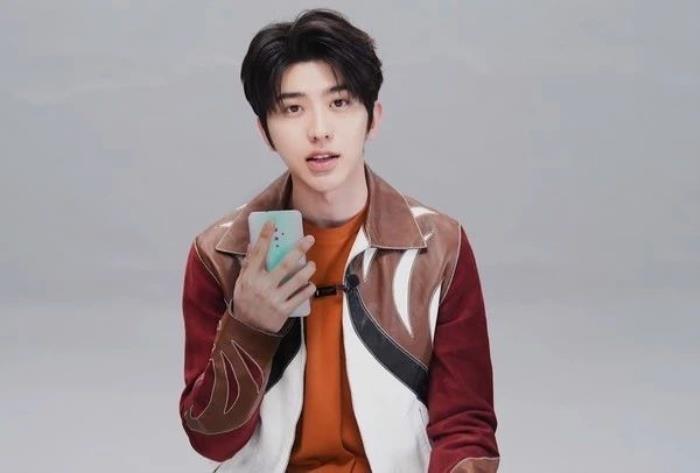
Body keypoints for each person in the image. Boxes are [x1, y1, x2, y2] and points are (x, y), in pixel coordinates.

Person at [178, 8, 499, 473]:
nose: (319, 130)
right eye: (292, 109)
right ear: (265, 132)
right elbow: (212, 442)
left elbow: (465, 427)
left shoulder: (439, 247)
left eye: (340, 102)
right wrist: (248, 327)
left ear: (373, 118)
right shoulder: (219, 254)